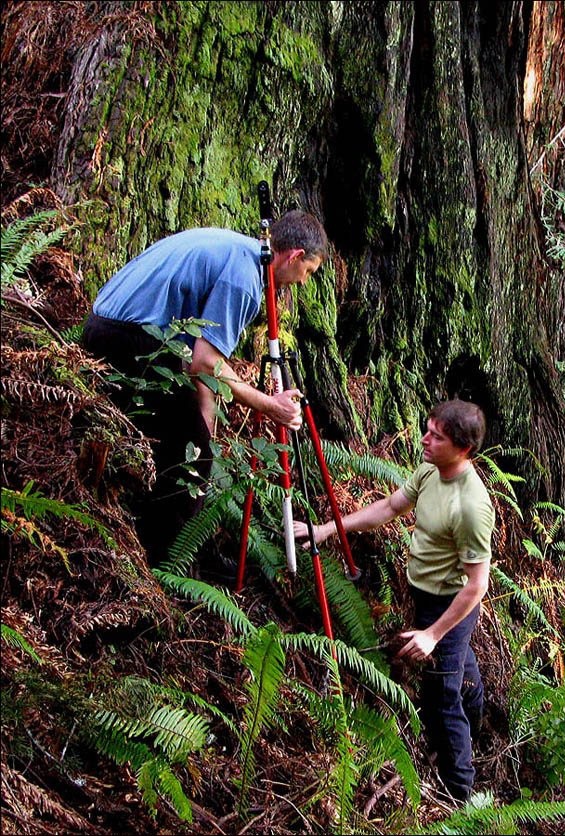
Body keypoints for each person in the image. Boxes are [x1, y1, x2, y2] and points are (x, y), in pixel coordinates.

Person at [83, 210, 328, 565]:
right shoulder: (244, 279)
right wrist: (269, 405)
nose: (303, 282)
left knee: (194, 443)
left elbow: (195, 361)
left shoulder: (237, 249)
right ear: (293, 256)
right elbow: (205, 363)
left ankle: (168, 547)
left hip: (110, 327)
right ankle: (167, 566)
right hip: (128, 340)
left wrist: (205, 425)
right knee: (189, 460)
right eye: (308, 272)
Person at [294, 399, 494, 803]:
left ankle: (462, 797)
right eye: (428, 429)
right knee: (460, 674)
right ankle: (482, 719)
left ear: (463, 448)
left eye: (436, 437)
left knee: (441, 697)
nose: (425, 439)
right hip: (424, 595)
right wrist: (327, 529)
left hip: (450, 605)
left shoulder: (471, 506)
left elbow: (477, 586)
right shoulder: (429, 470)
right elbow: (389, 507)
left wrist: (434, 636)